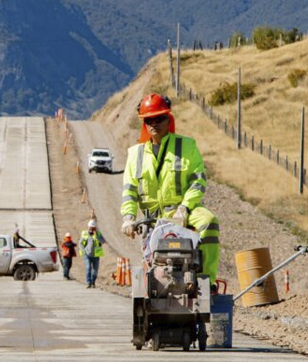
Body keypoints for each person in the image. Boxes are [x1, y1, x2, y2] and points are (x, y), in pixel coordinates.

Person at [120, 93, 220, 284]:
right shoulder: (135, 154)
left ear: (169, 119)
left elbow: (198, 181)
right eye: (148, 120)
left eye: (159, 119)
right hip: (153, 218)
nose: (153, 124)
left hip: (182, 212)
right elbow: (130, 190)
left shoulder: (187, 146)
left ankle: (206, 280)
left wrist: (184, 208)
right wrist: (128, 217)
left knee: (209, 221)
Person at [80, 220, 105, 288]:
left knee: (95, 270)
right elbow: (80, 243)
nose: (91, 229)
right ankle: (88, 282)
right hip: (87, 254)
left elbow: (103, 241)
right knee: (88, 267)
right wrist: (84, 250)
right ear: (88, 227)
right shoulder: (85, 233)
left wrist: (96, 235)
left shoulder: (98, 233)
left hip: (96, 255)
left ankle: (93, 281)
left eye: (93, 228)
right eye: (90, 228)